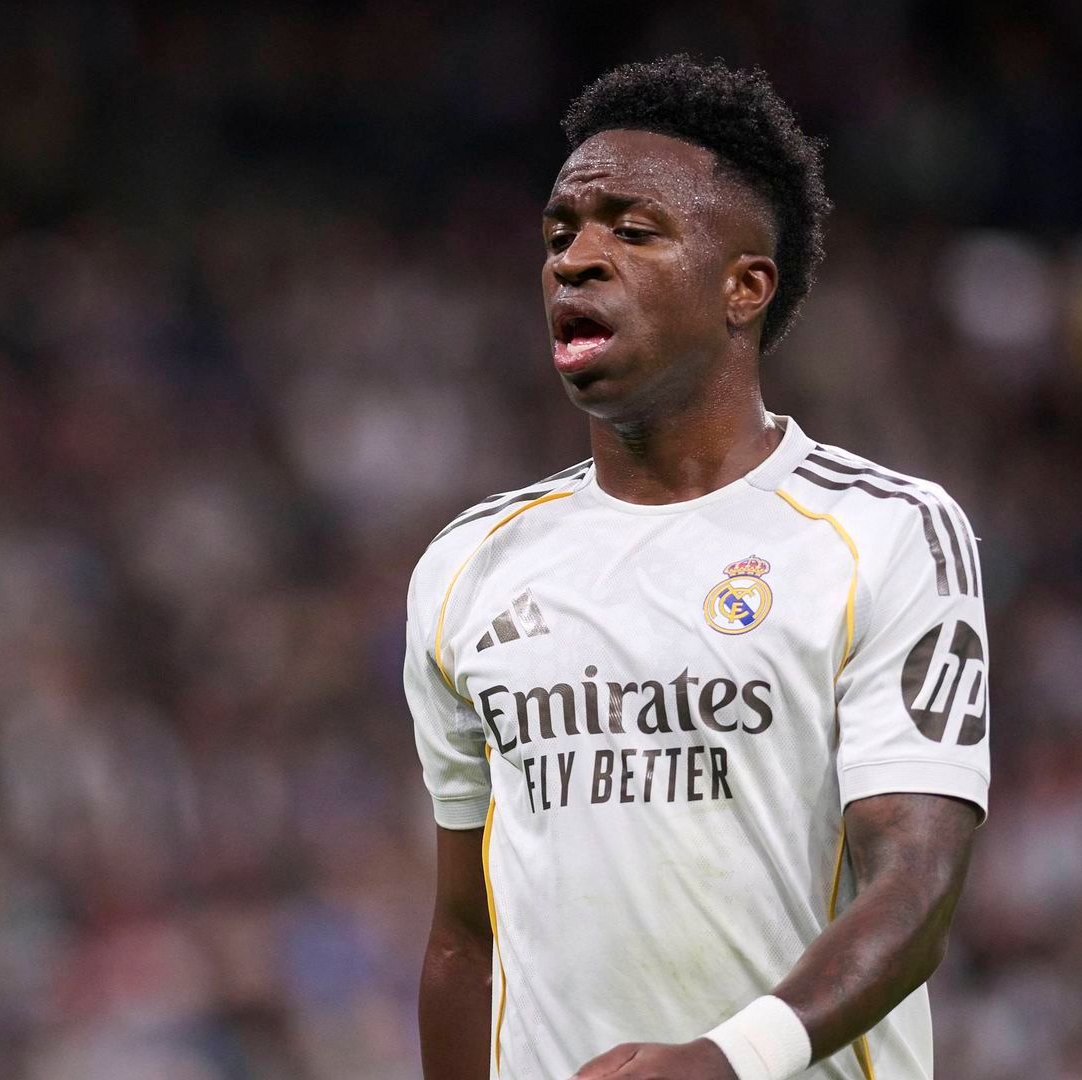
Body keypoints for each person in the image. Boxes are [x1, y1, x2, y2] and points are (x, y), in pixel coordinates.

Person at [406, 56, 990, 1080]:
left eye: (632, 231)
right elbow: (465, 933)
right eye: (559, 234)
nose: (574, 260)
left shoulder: (885, 532)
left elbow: (918, 885)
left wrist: (728, 1061)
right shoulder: (468, 566)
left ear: (744, 287)